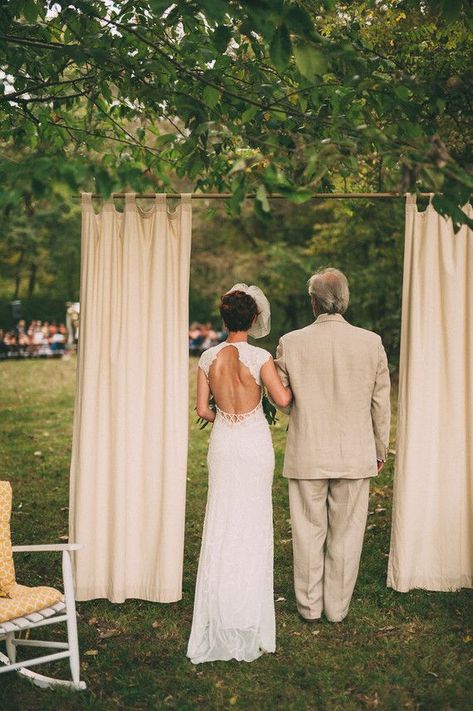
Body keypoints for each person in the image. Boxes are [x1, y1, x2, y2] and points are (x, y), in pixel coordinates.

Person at [275, 268, 391, 623]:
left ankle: (309, 607)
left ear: (314, 303)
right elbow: (380, 403)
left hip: (308, 450)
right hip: (356, 452)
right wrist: (380, 450)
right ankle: (336, 609)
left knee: (308, 531)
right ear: (344, 300)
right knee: (346, 533)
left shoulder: (291, 342)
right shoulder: (370, 342)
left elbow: (282, 400)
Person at [187, 284, 292, 664]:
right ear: (253, 319)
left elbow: (202, 409)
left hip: (224, 444)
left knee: (223, 520)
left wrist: (226, 419)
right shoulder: (260, 356)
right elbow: (281, 400)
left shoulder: (206, 357)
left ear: (225, 318)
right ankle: (247, 610)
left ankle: (219, 609)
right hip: (252, 444)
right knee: (252, 521)